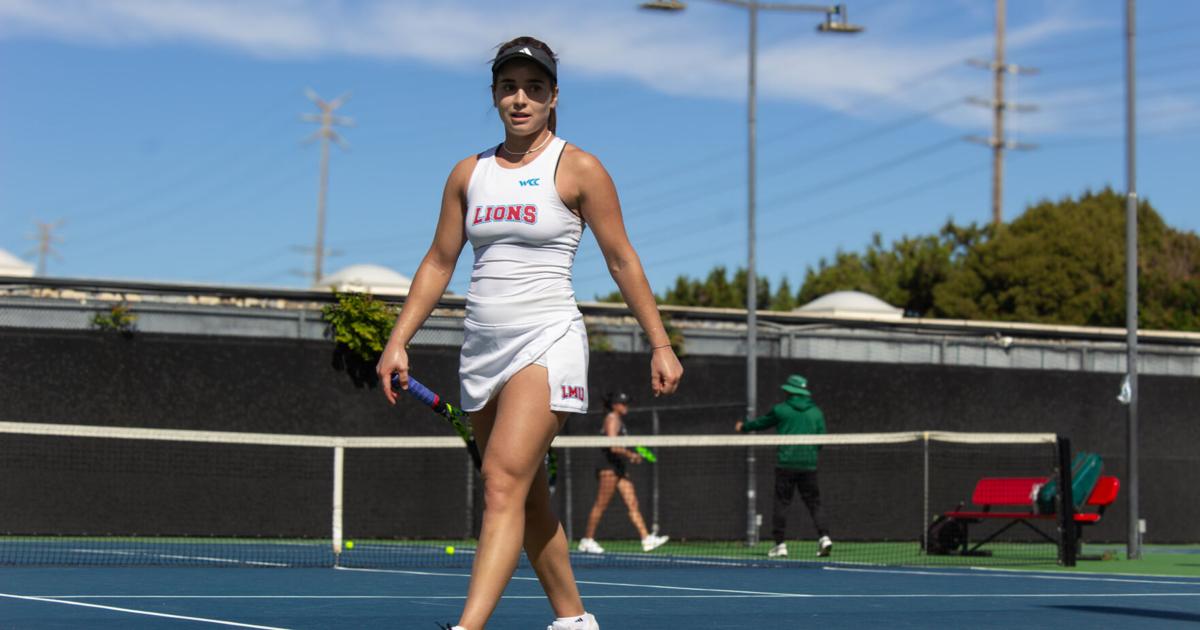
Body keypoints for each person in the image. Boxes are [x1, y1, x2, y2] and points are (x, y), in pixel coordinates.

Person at [376, 36, 683, 630]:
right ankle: (574, 621)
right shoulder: (469, 174)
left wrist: (660, 342)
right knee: (527, 496)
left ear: (553, 96)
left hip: (549, 341)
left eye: (534, 88)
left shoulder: (580, 168)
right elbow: (440, 261)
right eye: (509, 87)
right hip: (482, 349)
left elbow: (622, 259)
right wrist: (398, 339)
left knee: (500, 484)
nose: (521, 99)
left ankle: (467, 628)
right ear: (494, 94)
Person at [735, 374, 832, 559]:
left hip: (786, 465)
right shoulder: (816, 413)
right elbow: (822, 440)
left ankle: (780, 545)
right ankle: (825, 537)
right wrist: (810, 455)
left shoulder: (781, 410)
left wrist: (743, 427)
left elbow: (760, 423)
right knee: (815, 504)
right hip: (809, 466)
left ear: (789, 391)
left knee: (781, 503)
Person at [578, 392, 669, 555]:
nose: (626, 406)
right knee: (601, 504)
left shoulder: (619, 420)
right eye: (623, 403)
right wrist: (631, 455)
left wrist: (631, 454)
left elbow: (620, 445)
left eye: (627, 403)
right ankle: (587, 540)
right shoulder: (612, 418)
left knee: (632, 503)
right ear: (614, 405)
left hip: (619, 467)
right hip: (608, 468)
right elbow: (613, 446)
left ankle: (646, 539)